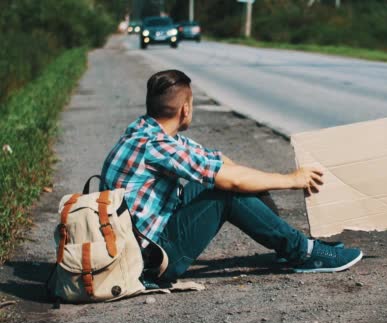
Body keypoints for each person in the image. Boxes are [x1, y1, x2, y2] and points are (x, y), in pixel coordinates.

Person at [101, 69, 362, 282]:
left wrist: (253, 190)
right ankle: (301, 252)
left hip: (137, 243)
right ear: (185, 110)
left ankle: (286, 246)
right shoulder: (158, 146)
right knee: (226, 191)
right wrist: (293, 180)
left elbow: (220, 162)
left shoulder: (145, 131)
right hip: (150, 261)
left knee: (234, 178)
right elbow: (231, 181)